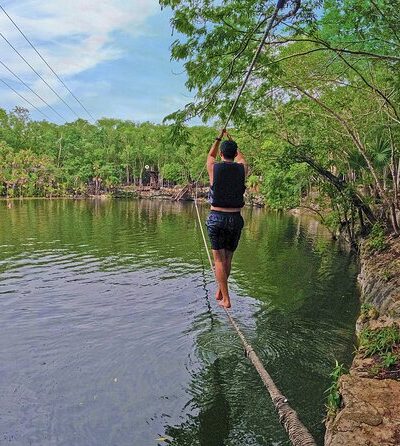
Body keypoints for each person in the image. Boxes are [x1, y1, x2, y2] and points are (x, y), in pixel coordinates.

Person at [206, 129, 247, 309]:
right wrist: (231, 139)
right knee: (228, 258)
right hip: (235, 219)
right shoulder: (242, 169)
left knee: (219, 261)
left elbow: (210, 155)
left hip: (218, 217)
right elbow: (241, 158)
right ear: (234, 153)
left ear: (222, 154)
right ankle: (221, 291)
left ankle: (226, 299)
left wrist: (218, 138)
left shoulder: (214, 168)